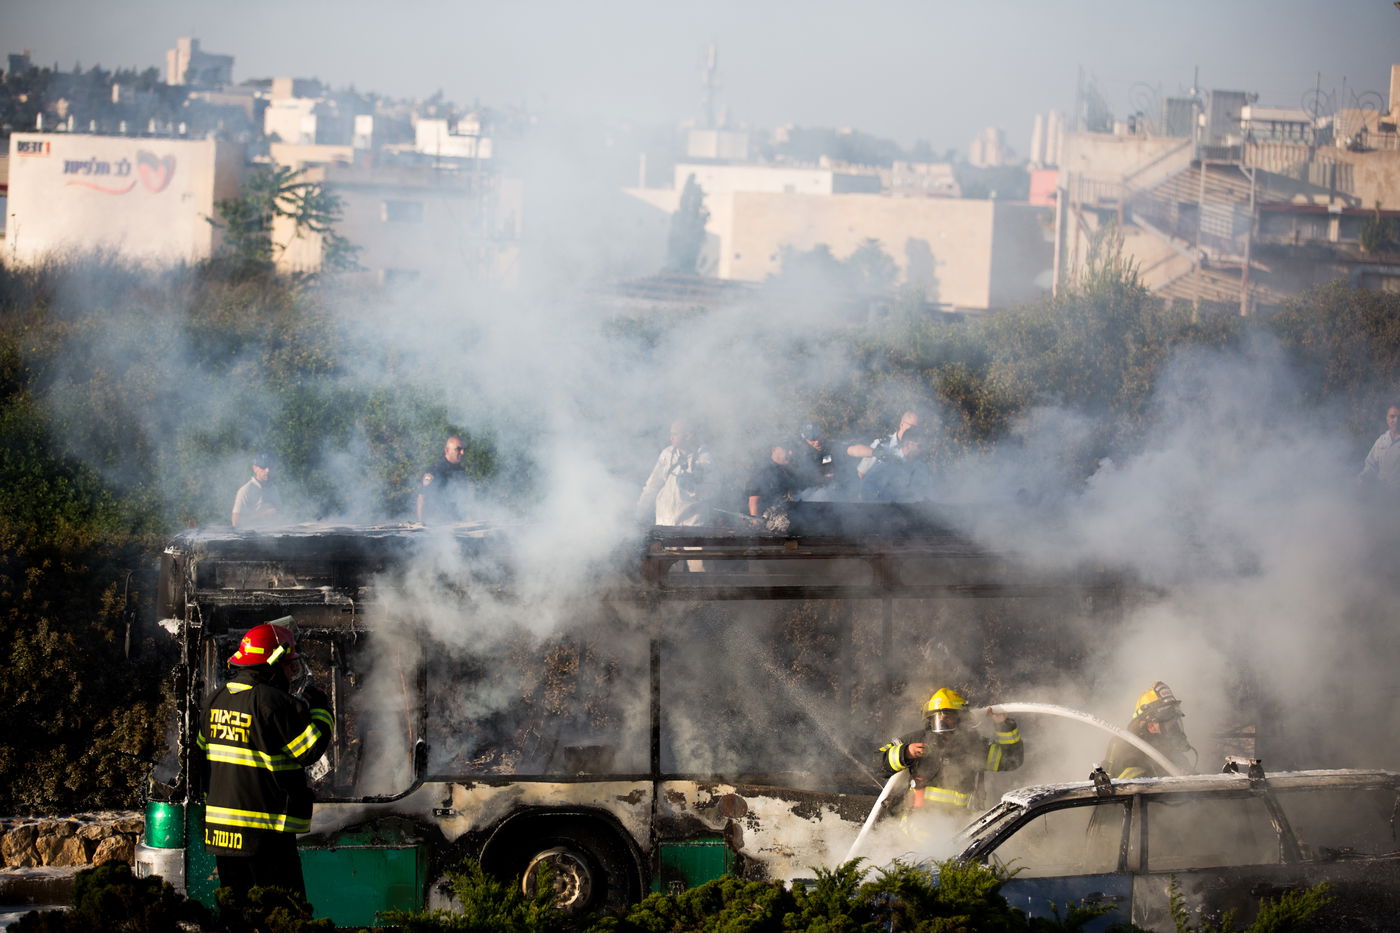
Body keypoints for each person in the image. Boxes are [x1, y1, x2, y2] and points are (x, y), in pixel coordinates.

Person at [195, 619, 333, 902]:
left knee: (238, 912)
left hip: (222, 835)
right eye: (288, 664)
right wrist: (320, 709)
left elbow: (201, 759)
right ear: (272, 663)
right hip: (267, 833)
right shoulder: (275, 703)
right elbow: (310, 750)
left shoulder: (213, 701)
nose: (291, 673)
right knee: (284, 913)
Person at [877, 687, 1023, 817]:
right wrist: (905, 753)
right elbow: (877, 762)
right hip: (914, 830)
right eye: (937, 716)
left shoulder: (973, 747)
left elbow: (1011, 760)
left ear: (960, 718)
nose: (942, 720)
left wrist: (1004, 726)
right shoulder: (917, 740)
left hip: (957, 832)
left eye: (947, 716)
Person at [1102, 681, 1196, 779]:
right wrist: (1171, 779)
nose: (1175, 731)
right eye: (1171, 727)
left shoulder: (1170, 751)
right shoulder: (1127, 749)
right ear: (1151, 726)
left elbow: (1198, 783)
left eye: (1175, 725)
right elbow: (1130, 786)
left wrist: (1190, 777)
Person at [637, 420, 713, 527]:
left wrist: (693, 487)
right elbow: (652, 486)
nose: (671, 438)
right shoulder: (667, 454)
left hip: (692, 526)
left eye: (675, 434)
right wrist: (640, 511)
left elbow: (713, 490)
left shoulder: (704, 458)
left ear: (688, 436)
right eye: (671, 434)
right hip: (665, 524)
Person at [860, 427, 933, 502]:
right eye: (920, 446)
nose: (922, 450)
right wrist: (880, 508)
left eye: (924, 447)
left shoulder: (922, 468)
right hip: (888, 511)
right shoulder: (888, 463)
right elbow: (866, 489)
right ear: (907, 444)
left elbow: (926, 493)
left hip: (913, 512)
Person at [847, 411, 921, 481]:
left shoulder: (917, 450)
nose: (914, 431)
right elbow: (861, 474)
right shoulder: (882, 444)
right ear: (902, 424)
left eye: (917, 429)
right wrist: (879, 453)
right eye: (912, 427)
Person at [417, 435, 471, 524]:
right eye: (458, 449)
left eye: (463, 449)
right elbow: (422, 498)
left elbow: (464, 500)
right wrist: (421, 524)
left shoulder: (461, 470)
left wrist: (469, 522)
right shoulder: (434, 470)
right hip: (437, 523)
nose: (462, 452)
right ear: (447, 450)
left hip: (456, 523)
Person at [745, 444, 800, 531]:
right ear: (774, 450)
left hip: (789, 522)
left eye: (792, 449)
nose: (791, 453)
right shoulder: (764, 471)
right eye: (786, 449)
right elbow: (754, 500)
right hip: (771, 525)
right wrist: (757, 525)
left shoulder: (789, 470)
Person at [1358, 404, 1400, 499]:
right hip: (1380, 495)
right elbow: (1370, 465)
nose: (1396, 420)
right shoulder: (1381, 441)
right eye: (1392, 416)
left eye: (1399, 417)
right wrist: (1362, 479)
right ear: (1387, 419)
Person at [231, 452, 282, 528]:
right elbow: (236, 522)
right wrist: (264, 515)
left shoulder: (274, 488)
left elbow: (279, 512)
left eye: (270, 467)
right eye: (263, 467)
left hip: (273, 534)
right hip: (252, 537)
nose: (267, 470)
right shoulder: (245, 490)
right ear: (254, 468)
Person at [792, 423, 835, 494]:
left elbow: (829, 467)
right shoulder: (800, 454)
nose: (817, 442)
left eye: (817, 436)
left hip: (830, 488)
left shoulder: (830, 447)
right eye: (812, 439)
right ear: (805, 440)